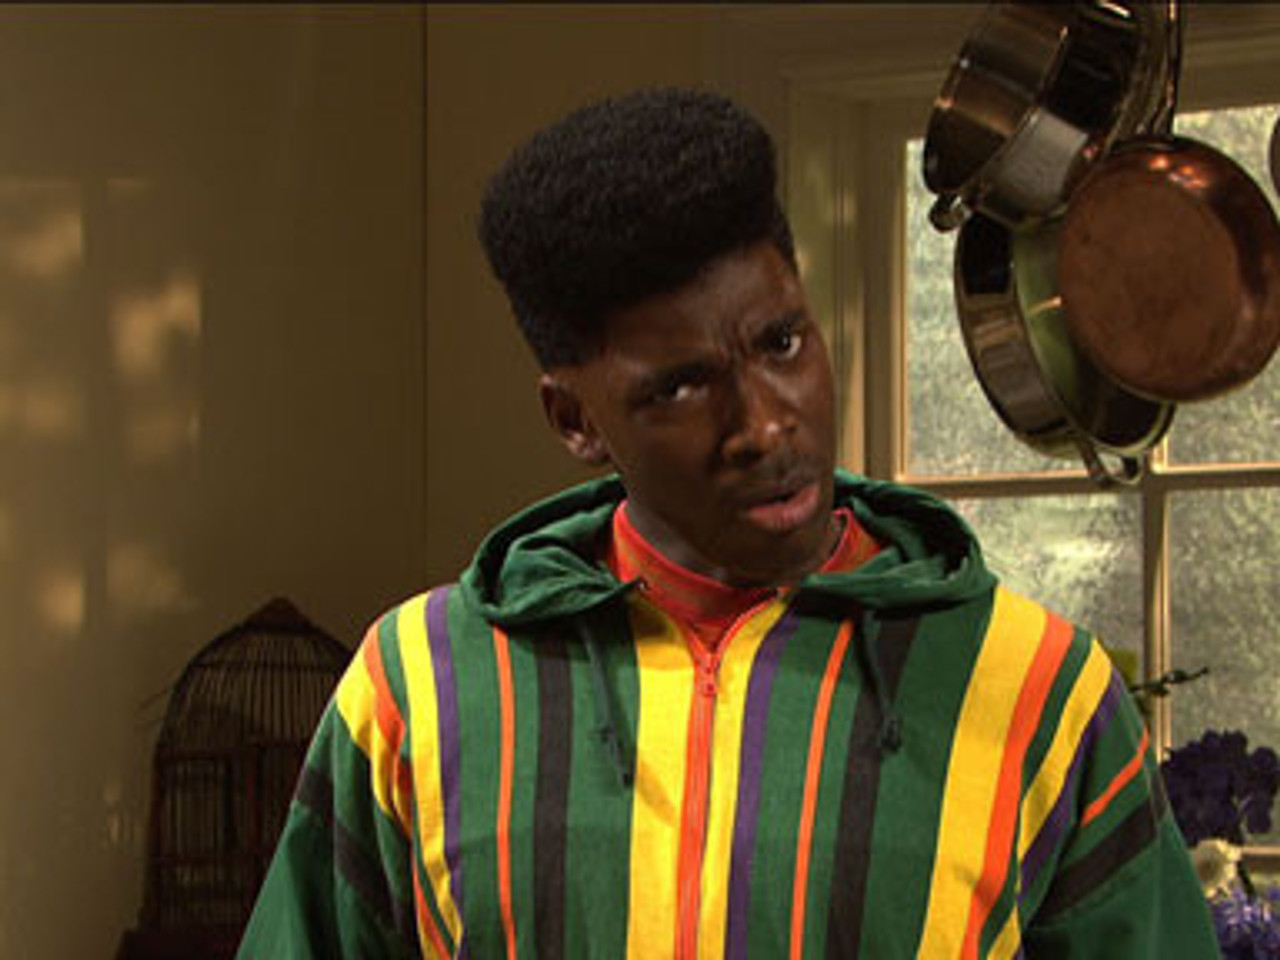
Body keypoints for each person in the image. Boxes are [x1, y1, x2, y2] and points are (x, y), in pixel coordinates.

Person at [238, 87, 1219, 959]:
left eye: (781, 342)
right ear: (575, 421)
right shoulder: (412, 691)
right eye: (679, 387)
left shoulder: (1038, 690)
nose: (763, 425)